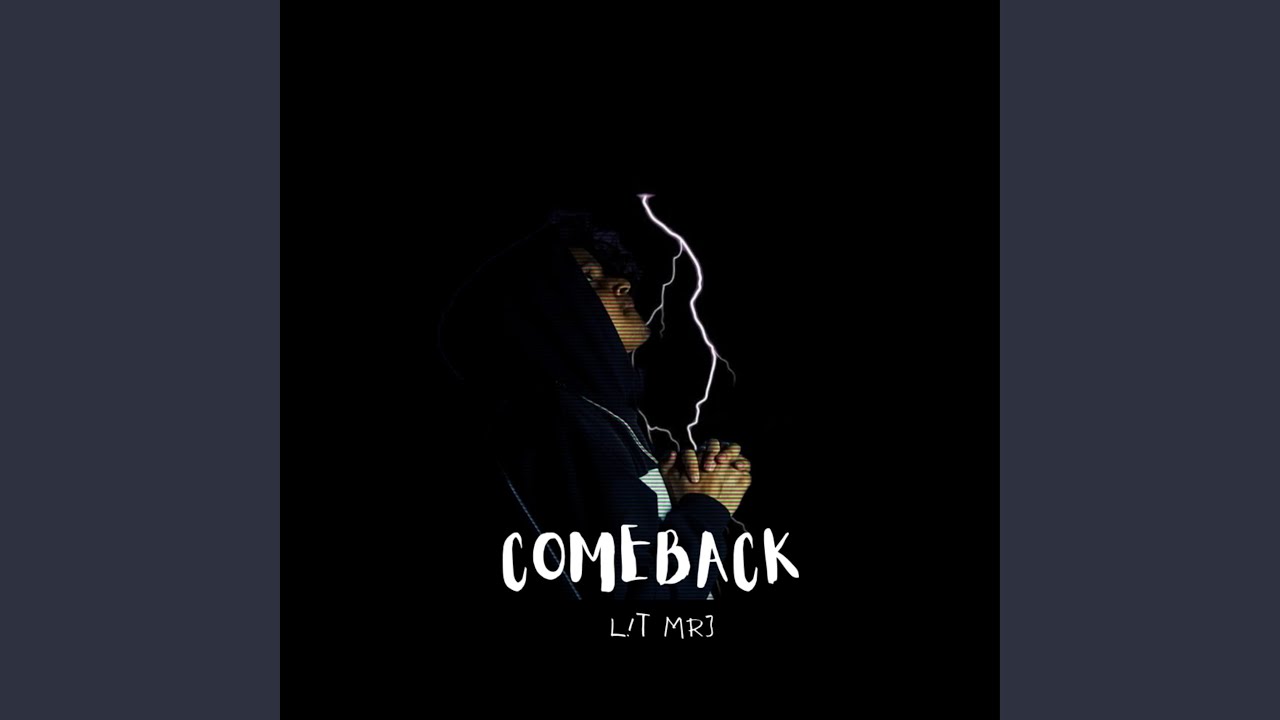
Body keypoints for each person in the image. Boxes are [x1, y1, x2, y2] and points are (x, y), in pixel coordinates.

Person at [438, 211, 751, 600]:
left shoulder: (599, 415)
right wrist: (705, 508)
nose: (621, 283)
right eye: (588, 279)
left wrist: (673, 500)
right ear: (541, 313)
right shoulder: (554, 421)